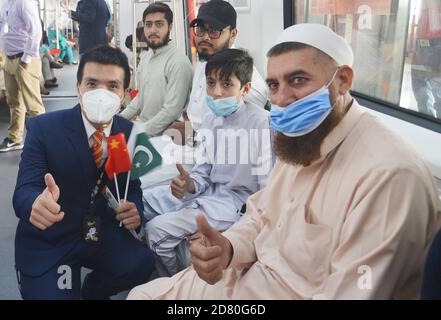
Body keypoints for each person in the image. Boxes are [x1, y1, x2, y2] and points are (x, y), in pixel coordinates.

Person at [128, 24, 441, 300]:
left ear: (342, 79)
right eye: (275, 85)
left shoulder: (388, 176)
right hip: (243, 275)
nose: (281, 100)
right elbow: (261, 215)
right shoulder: (302, 140)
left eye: (299, 80)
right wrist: (229, 248)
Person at [13, 45, 154, 300]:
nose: (101, 94)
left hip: (101, 233)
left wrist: (135, 208)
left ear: (124, 94)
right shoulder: (43, 129)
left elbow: (132, 187)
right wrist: (35, 203)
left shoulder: (129, 134)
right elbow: (25, 188)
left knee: (140, 263)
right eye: (91, 84)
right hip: (52, 239)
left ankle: (93, 290)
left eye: (112, 86)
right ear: (78, 88)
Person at [142, 49, 273, 276]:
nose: (216, 93)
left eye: (226, 84)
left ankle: (176, 282)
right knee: (142, 202)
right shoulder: (212, 119)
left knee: (155, 231)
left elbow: (266, 190)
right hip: (206, 194)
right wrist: (187, 184)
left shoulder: (261, 123)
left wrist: (236, 228)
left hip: (234, 204)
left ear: (246, 89)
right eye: (211, 83)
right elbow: (202, 173)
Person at [140, 0, 268, 189]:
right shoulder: (205, 61)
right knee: (126, 159)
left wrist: (192, 136)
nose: (204, 37)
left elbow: (234, 147)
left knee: (136, 179)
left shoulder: (246, 83)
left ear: (232, 34)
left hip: (201, 161)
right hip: (183, 145)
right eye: (200, 30)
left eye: (214, 31)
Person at [120, 3, 193, 137]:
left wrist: (139, 133)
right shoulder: (146, 57)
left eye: (159, 24)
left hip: (166, 137)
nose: (152, 30)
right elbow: (140, 99)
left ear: (170, 27)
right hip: (144, 128)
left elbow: (171, 111)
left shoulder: (178, 62)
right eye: (148, 25)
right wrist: (117, 120)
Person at [0, 0, 45, 153]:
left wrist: (26, 60)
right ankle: (15, 138)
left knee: (33, 105)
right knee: (14, 102)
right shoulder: (6, 4)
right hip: (9, 59)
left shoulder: (23, 3)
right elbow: (2, 27)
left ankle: (43, 142)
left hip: (24, 59)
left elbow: (35, 31)